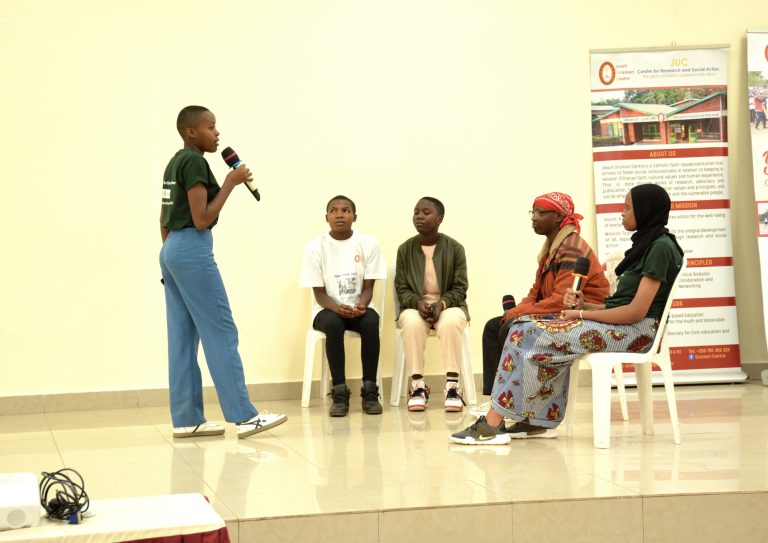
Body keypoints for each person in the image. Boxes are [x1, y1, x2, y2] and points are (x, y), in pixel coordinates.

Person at [452, 183, 684, 444]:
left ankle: (493, 424)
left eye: (627, 207)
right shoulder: (647, 244)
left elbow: (635, 312)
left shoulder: (661, 248)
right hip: (622, 326)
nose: (622, 212)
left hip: (638, 333)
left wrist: (583, 316)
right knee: (525, 328)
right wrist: (586, 306)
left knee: (526, 330)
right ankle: (534, 419)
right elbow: (618, 304)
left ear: (645, 210)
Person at [159, 105, 287, 439]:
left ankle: (187, 419)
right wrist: (231, 181)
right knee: (221, 330)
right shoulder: (196, 162)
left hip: (171, 249)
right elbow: (202, 218)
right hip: (192, 249)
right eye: (211, 127)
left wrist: (170, 260)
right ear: (191, 132)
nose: (217, 134)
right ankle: (245, 416)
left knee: (182, 338)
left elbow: (164, 217)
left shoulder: (174, 162)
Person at [477, 193, 609, 410]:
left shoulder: (571, 248)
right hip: (559, 310)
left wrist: (519, 314)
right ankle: (496, 399)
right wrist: (518, 310)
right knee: (494, 326)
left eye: (540, 213)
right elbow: (536, 292)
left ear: (558, 217)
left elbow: (562, 302)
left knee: (512, 327)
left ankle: (511, 400)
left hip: (583, 316)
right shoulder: (552, 247)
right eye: (533, 212)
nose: (534, 218)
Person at [300, 195, 387, 417]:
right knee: (334, 325)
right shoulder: (314, 248)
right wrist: (338, 308)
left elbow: (368, 287)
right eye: (334, 210)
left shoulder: (369, 244)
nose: (340, 214)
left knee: (370, 322)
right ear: (326, 217)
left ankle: (369, 390)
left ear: (354, 217)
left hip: (359, 306)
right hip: (327, 309)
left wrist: (361, 306)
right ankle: (339, 392)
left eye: (346, 210)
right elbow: (319, 294)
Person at [395, 197, 470, 412]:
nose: (419, 216)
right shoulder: (405, 249)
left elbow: (460, 287)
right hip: (415, 305)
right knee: (411, 323)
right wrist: (418, 303)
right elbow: (401, 288)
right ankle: (418, 386)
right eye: (416, 212)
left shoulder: (455, 248)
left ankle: (453, 387)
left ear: (440, 218)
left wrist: (442, 304)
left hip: (449, 304)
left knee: (449, 323)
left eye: (425, 212)